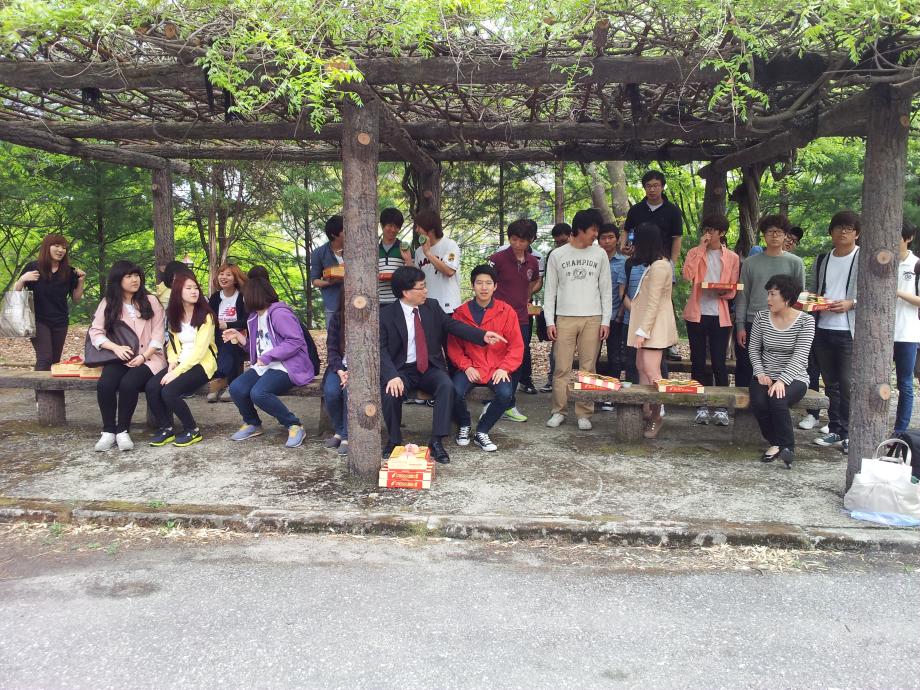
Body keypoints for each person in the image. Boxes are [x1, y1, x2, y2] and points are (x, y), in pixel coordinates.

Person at [380, 266, 508, 464]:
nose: (426, 291)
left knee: (447, 386)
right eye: (421, 287)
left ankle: (437, 441)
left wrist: (482, 335)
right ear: (406, 292)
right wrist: (391, 375)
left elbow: (453, 326)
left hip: (429, 367)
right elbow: (380, 349)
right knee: (390, 393)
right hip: (401, 370)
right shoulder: (386, 314)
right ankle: (394, 440)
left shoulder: (431, 306)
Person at [223, 277, 314, 448]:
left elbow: (295, 341)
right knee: (236, 388)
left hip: (288, 366)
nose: (243, 299)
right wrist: (239, 337)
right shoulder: (254, 317)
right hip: (266, 366)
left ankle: (294, 425)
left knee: (259, 393)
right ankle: (252, 423)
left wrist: (267, 357)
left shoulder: (279, 313)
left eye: (245, 295)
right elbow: (259, 348)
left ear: (254, 295)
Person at [543, 208, 612, 430]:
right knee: (561, 367)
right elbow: (550, 291)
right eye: (593, 230)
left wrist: (606, 320)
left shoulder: (599, 254)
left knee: (588, 368)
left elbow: (606, 289)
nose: (596, 235)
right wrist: (549, 321)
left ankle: (584, 413)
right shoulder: (558, 255)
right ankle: (558, 411)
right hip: (565, 317)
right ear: (581, 229)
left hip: (593, 317)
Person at [88, 261, 166, 452]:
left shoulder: (151, 301)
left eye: (136, 275)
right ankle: (108, 431)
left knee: (129, 384)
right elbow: (96, 332)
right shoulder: (108, 303)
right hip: (120, 356)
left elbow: (159, 334)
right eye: (128, 276)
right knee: (105, 384)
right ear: (118, 280)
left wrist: (143, 356)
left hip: (150, 357)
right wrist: (115, 348)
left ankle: (123, 430)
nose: (134, 280)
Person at [448, 265, 524, 452]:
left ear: (495, 286)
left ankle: (482, 431)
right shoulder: (460, 313)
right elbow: (454, 346)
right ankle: (464, 424)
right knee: (454, 391)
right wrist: (466, 366)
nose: (484, 287)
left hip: (496, 367)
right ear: (472, 285)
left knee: (506, 394)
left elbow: (516, 346)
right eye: (479, 283)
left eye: (488, 283)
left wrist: (505, 368)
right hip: (470, 366)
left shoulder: (506, 311)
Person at [748, 274, 815, 469]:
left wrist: (782, 381)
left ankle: (788, 448)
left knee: (778, 398)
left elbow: (800, 355)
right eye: (768, 294)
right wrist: (760, 372)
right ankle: (776, 442)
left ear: (787, 297)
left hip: (795, 376)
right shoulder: (761, 317)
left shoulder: (806, 321)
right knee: (759, 402)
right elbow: (754, 348)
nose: (768, 299)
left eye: (773, 294)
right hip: (765, 373)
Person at [145, 273, 217, 448]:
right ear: (178, 291)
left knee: (169, 392)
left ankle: (192, 429)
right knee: (152, 387)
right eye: (189, 288)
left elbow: (200, 351)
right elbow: (172, 344)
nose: (194, 291)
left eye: (196, 288)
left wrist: (176, 372)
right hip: (180, 362)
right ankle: (166, 427)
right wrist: (172, 362)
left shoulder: (206, 316)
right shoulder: (174, 315)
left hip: (202, 364)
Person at [682, 214, 740, 426]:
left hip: (720, 315)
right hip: (696, 313)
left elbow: (733, 288)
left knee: (719, 361)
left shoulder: (732, 257)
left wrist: (724, 292)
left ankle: (722, 407)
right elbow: (687, 276)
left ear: (721, 233)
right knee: (697, 361)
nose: (708, 234)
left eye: (712, 230)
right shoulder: (694, 252)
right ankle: (701, 406)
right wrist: (700, 249)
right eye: (706, 229)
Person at [734, 215, 806, 388]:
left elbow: (799, 297)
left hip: (784, 324)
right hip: (753, 321)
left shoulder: (796, 263)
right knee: (745, 367)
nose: (774, 235)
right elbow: (743, 295)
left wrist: (798, 325)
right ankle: (743, 403)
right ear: (763, 235)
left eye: (779, 232)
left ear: (785, 235)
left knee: (777, 370)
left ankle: (774, 400)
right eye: (770, 231)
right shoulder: (750, 263)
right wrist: (740, 325)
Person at [812, 210, 860, 453]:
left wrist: (852, 303)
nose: (843, 232)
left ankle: (851, 434)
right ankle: (835, 429)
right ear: (831, 232)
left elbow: (877, 291)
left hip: (849, 331)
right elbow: (814, 290)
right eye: (839, 227)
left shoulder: (862, 257)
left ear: (857, 233)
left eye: (849, 228)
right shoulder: (823, 259)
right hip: (823, 328)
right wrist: (814, 302)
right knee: (830, 384)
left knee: (848, 384)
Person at [626, 222, 678, 439]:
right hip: (647, 327)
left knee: (652, 371)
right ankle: (645, 411)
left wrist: (643, 331)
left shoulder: (660, 267)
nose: (633, 246)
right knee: (641, 367)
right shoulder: (654, 265)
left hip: (654, 329)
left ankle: (657, 415)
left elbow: (654, 303)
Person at [488, 219, 540, 423]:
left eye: (522, 240)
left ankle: (509, 404)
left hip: (521, 318)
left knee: (518, 358)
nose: (517, 244)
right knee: (495, 356)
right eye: (514, 239)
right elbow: (485, 282)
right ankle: (494, 400)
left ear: (531, 240)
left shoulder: (533, 262)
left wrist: (525, 298)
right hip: (497, 318)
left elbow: (533, 282)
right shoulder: (497, 259)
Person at [14, 233, 85, 371]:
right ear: (47, 247)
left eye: (64, 247)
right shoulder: (33, 267)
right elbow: (16, 293)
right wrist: (22, 279)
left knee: (55, 361)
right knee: (45, 358)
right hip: (38, 320)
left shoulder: (69, 272)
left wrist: (81, 281)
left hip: (60, 321)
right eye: (56, 246)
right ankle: (40, 386)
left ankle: (52, 387)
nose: (61, 250)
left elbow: (76, 299)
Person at [893, 220, 920, 434]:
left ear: (909, 238)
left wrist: (896, 291)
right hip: (878, 333)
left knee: (905, 384)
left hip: (907, 333)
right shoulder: (883, 261)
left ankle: (900, 430)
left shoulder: (916, 265)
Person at [207, 263, 248, 402]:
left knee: (230, 342)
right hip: (217, 336)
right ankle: (222, 382)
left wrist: (228, 325)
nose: (223, 277)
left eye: (228, 275)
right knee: (218, 344)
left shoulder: (241, 297)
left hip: (238, 335)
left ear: (236, 279)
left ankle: (223, 382)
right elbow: (209, 319)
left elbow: (246, 320)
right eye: (221, 274)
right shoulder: (215, 298)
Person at [539, 222, 572, 393]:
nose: (560, 245)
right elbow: (550, 287)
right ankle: (553, 380)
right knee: (557, 349)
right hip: (560, 309)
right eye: (557, 242)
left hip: (582, 310)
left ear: (572, 236)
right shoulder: (553, 255)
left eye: (563, 241)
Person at [623, 170, 683, 265]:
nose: (652, 189)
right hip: (637, 261)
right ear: (644, 187)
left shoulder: (673, 210)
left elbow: (677, 238)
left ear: (662, 187)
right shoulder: (635, 210)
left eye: (656, 185)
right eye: (648, 186)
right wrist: (623, 246)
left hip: (662, 261)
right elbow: (627, 230)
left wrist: (672, 263)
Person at [413, 209, 462, 314]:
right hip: (427, 306)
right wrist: (408, 260)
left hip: (449, 307)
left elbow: (449, 271)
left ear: (430, 228)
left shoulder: (450, 245)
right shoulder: (419, 251)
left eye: (419, 226)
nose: (416, 230)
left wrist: (428, 254)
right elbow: (416, 278)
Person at [598, 222, 627, 387]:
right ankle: (593, 391)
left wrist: (621, 313)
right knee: (591, 356)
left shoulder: (624, 262)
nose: (607, 241)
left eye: (611, 237)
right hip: (595, 316)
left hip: (616, 316)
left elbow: (626, 291)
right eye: (603, 238)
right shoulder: (593, 260)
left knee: (615, 357)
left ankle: (612, 391)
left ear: (617, 239)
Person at [323, 300, 350, 456]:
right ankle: (339, 431)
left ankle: (347, 436)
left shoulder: (371, 317)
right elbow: (331, 348)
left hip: (361, 369)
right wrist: (340, 371)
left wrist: (355, 371)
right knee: (331, 391)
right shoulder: (338, 317)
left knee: (348, 392)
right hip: (338, 367)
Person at [310, 214, 345, 325]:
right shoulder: (319, 253)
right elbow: (314, 280)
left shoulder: (356, 250)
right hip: (333, 303)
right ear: (334, 234)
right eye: (344, 230)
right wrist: (329, 282)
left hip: (356, 301)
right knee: (333, 335)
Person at [378, 207, 413, 306]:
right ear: (382, 225)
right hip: (378, 301)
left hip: (400, 301)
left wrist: (408, 260)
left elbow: (413, 276)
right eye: (390, 225)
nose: (393, 230)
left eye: (397, 227)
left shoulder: (404, 248)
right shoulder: (373, 250)